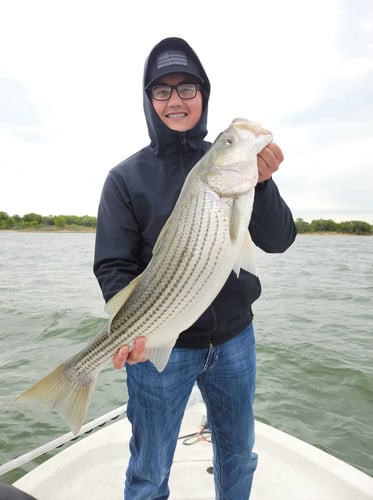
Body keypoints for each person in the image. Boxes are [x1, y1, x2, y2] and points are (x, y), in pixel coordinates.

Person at [94, 37, 296, 500]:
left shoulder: (235, 175)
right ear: (149, 101)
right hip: (162, 344)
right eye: (161, 91)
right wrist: (131, 331)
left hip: (235, 340)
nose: (175, 100)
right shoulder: (124, 178)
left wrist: (262, 184)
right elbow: (114, 265)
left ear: (203, 95)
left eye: (187, 87)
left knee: (238, 455)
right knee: (149, 469)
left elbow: (279, 240)